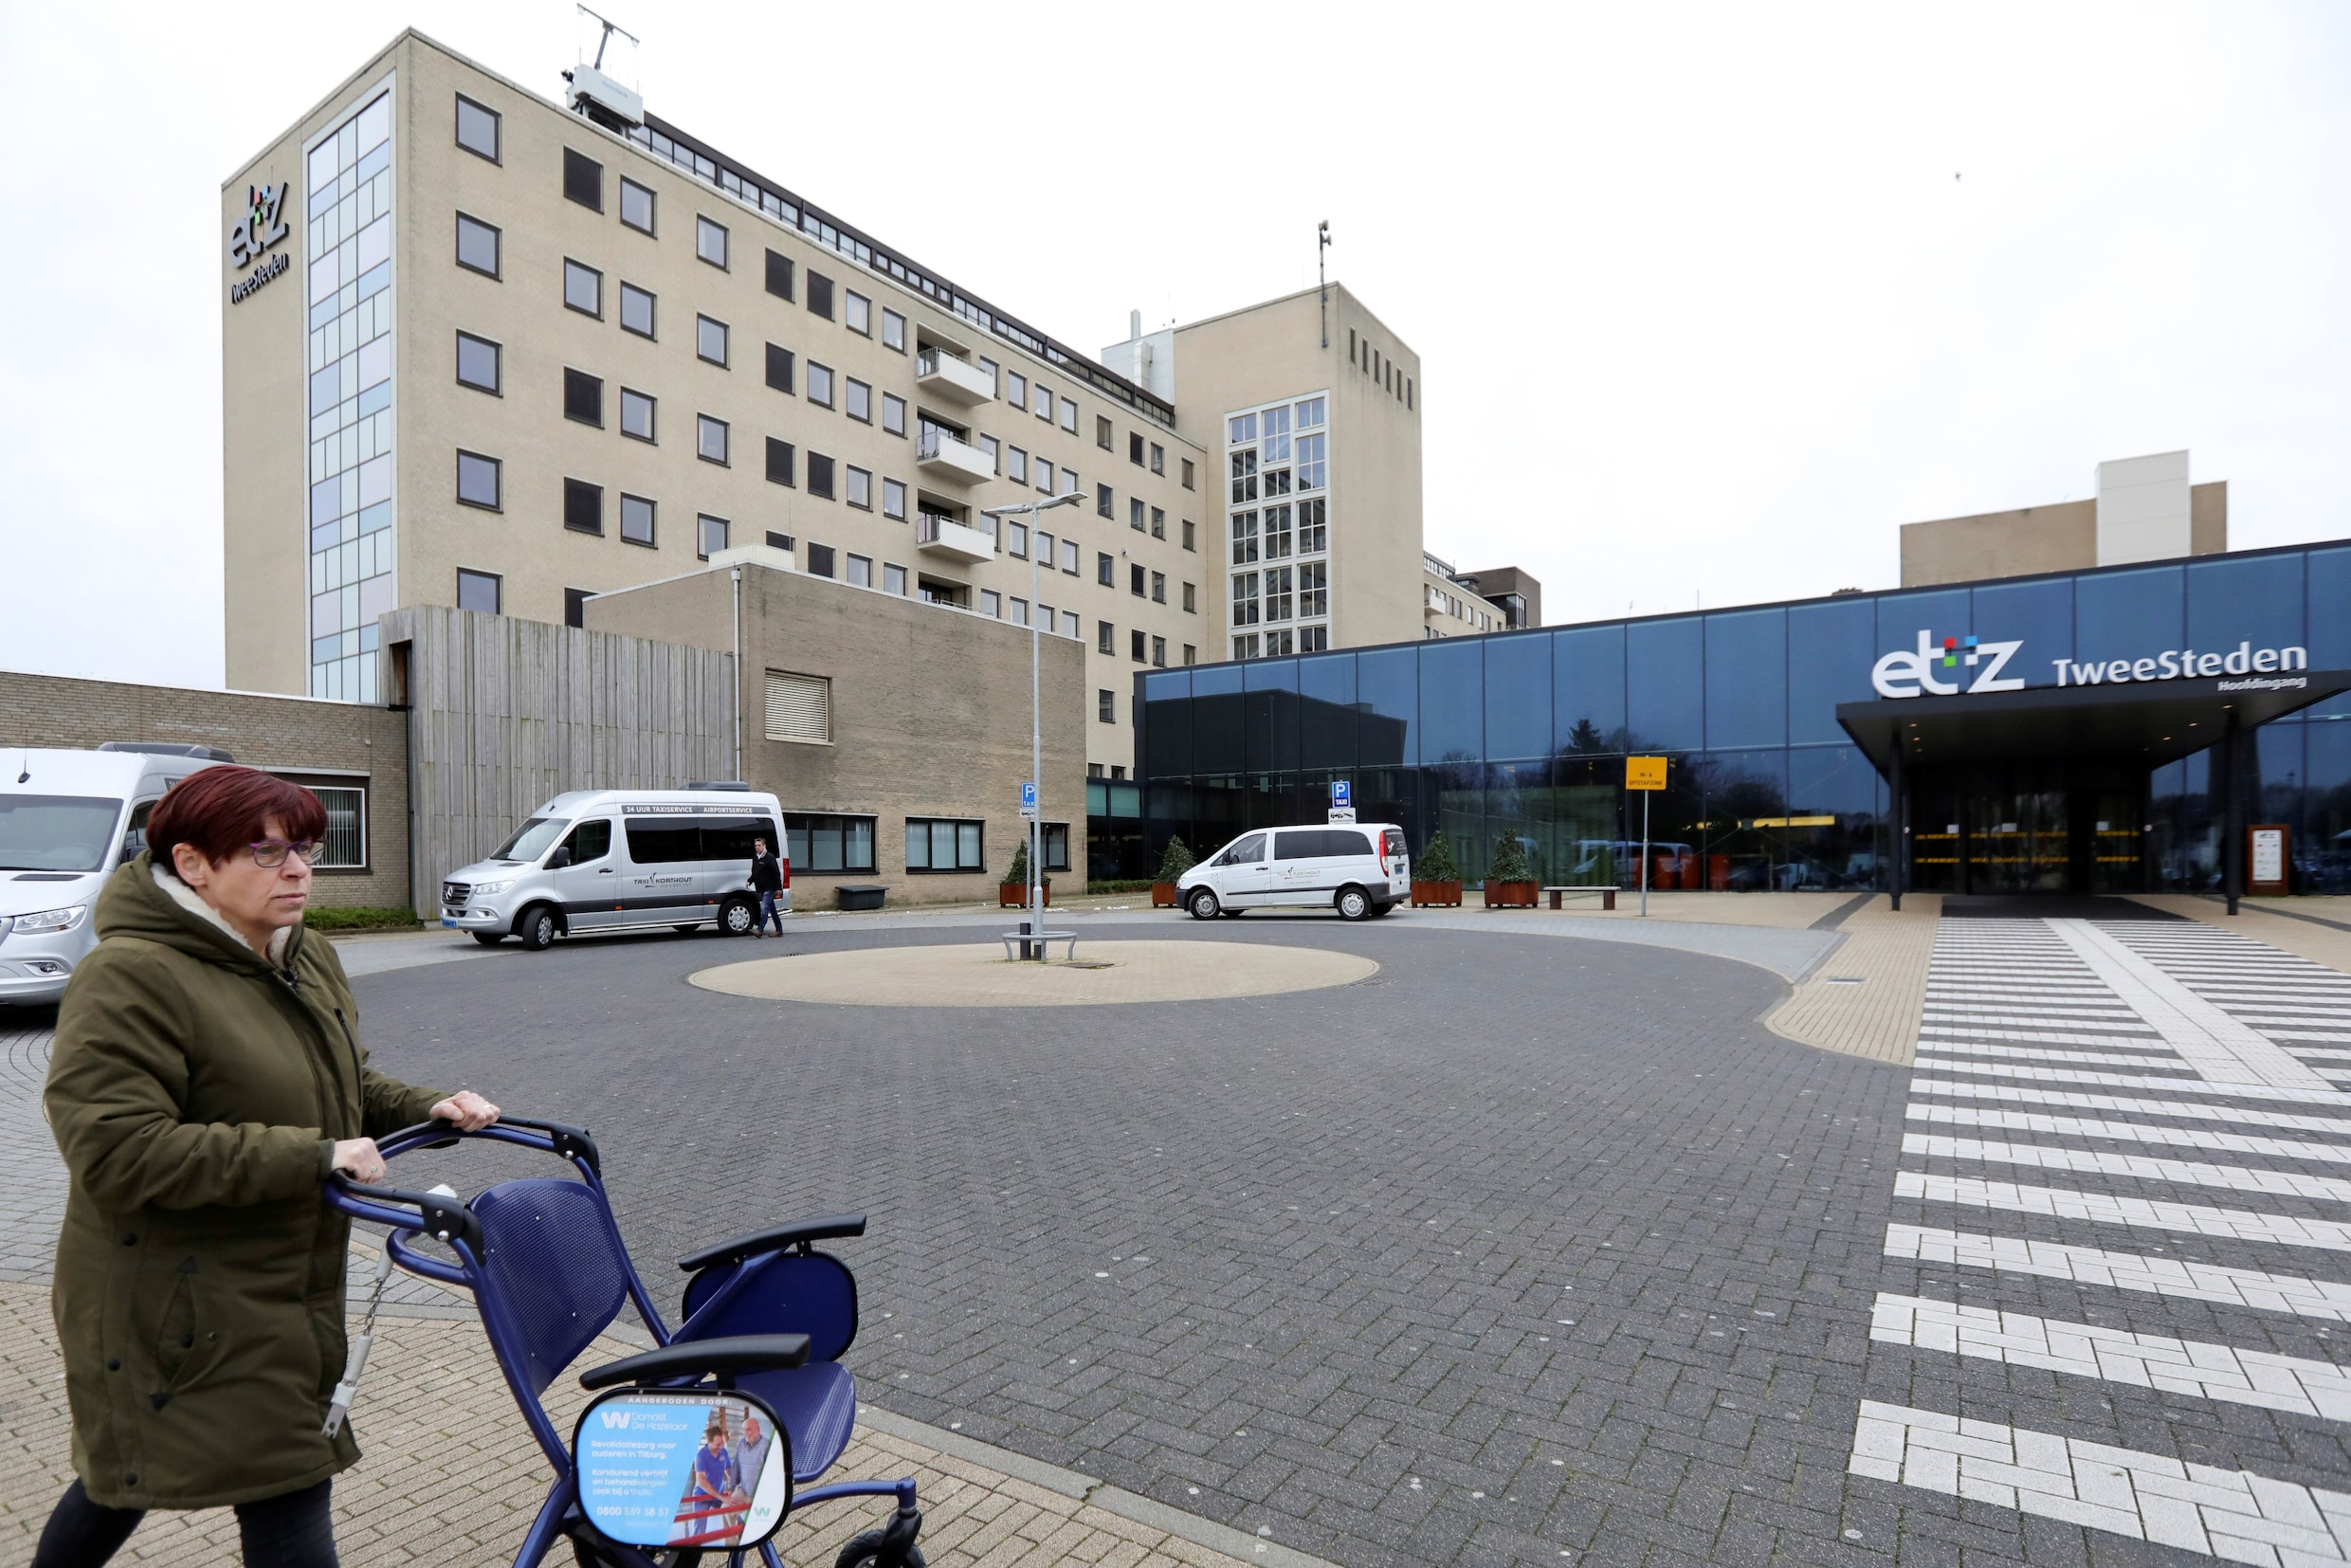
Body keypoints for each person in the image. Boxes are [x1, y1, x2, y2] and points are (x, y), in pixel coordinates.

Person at [35, 766, 501, 1568]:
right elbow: (116, 1152)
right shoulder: (129, 976)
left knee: (143, 1476)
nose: (298, 871)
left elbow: (341, 1085)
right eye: (266, 852)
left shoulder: (304, 956)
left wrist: (426, 1108)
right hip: (174, 1301)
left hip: (284, 1284)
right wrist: (312, 1157)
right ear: (192, 864)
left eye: (306, 850)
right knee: (184, 1478)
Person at [725, 1412, 773, 1503]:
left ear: (758, 1430)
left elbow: (771, 1472)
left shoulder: (766, 1444)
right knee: (725, 1507)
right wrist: (732, 1487)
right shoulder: (740, 1444)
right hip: (742, 1491)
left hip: (759, 1493)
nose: (745, 1433)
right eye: (744, 1430)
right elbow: (736, 1468)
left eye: (748, 1429)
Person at [746, 835, 785, 938]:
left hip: (770, 887)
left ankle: (760, 930)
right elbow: (755, 872)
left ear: (764, 846)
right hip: (762, 888)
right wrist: (750, 880)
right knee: (772, 910)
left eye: (759, 845)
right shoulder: (755, 857)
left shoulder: (769, 858)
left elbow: (776, 873)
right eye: (756, 846)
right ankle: (779, 930)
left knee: (764, 907)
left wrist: (778, 888)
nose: (757, 847)